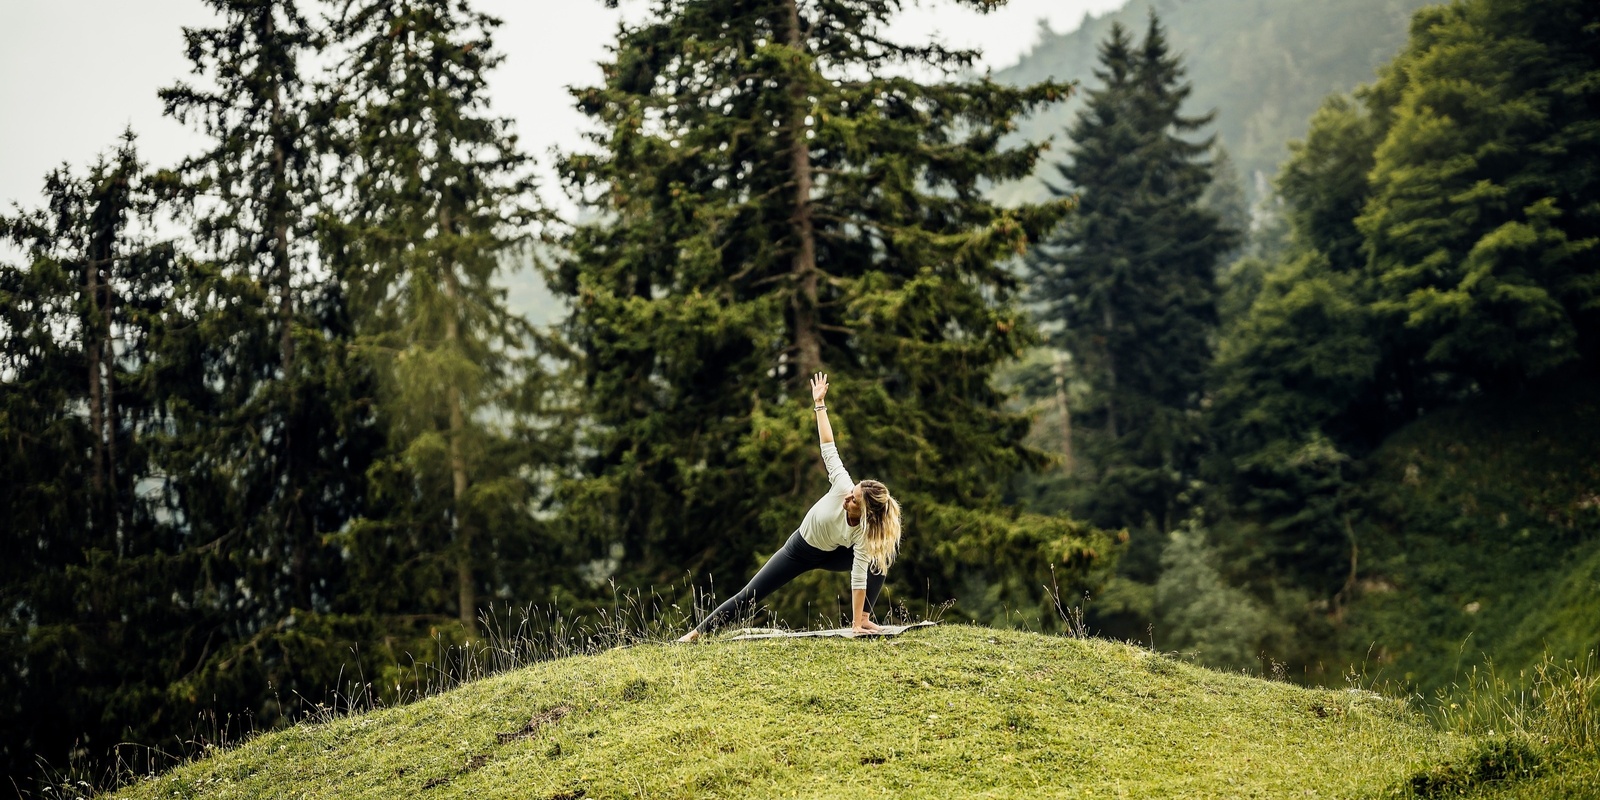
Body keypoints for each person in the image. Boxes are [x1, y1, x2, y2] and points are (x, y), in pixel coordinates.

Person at [676, 372, 903, 643]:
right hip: (800, 549)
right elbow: (828, 447)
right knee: (750, 594)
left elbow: (858, 577)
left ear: (866, 512)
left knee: (879, 560)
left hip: (835, 554)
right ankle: (695, 634)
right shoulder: (843, 485)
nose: (848, 499)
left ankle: (865, 619)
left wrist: (856, 624)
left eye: (854, 501)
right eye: (851, 494)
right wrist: (819, 404)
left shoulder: (866, 534)